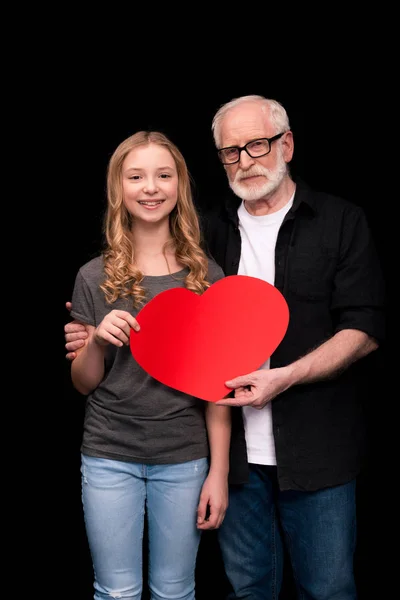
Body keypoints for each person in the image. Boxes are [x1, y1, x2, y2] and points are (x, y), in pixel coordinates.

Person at [65, 96, 385, 600]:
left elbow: (364, 326)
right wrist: (90, 338)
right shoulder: (211, 235)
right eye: (231, 151)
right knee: (247, 587)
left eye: (256, 145)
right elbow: (119, 344)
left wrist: (284, 378)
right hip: (229, 457)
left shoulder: (336, 224)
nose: (246, 160)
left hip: (311, 447)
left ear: (287, 144)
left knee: (326, 589)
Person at [67, 130, 231, 600]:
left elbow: (215, 387)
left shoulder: (206, 275)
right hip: (108, 454)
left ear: (180, 185)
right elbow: (83, 384)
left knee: (175, 592)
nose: (151, 187)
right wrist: (96, 341)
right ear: (119, 188)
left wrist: (217, 472)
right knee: (115, 592)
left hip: (183, 456)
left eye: (164, 175)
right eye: (136, 176)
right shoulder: (94, 275)